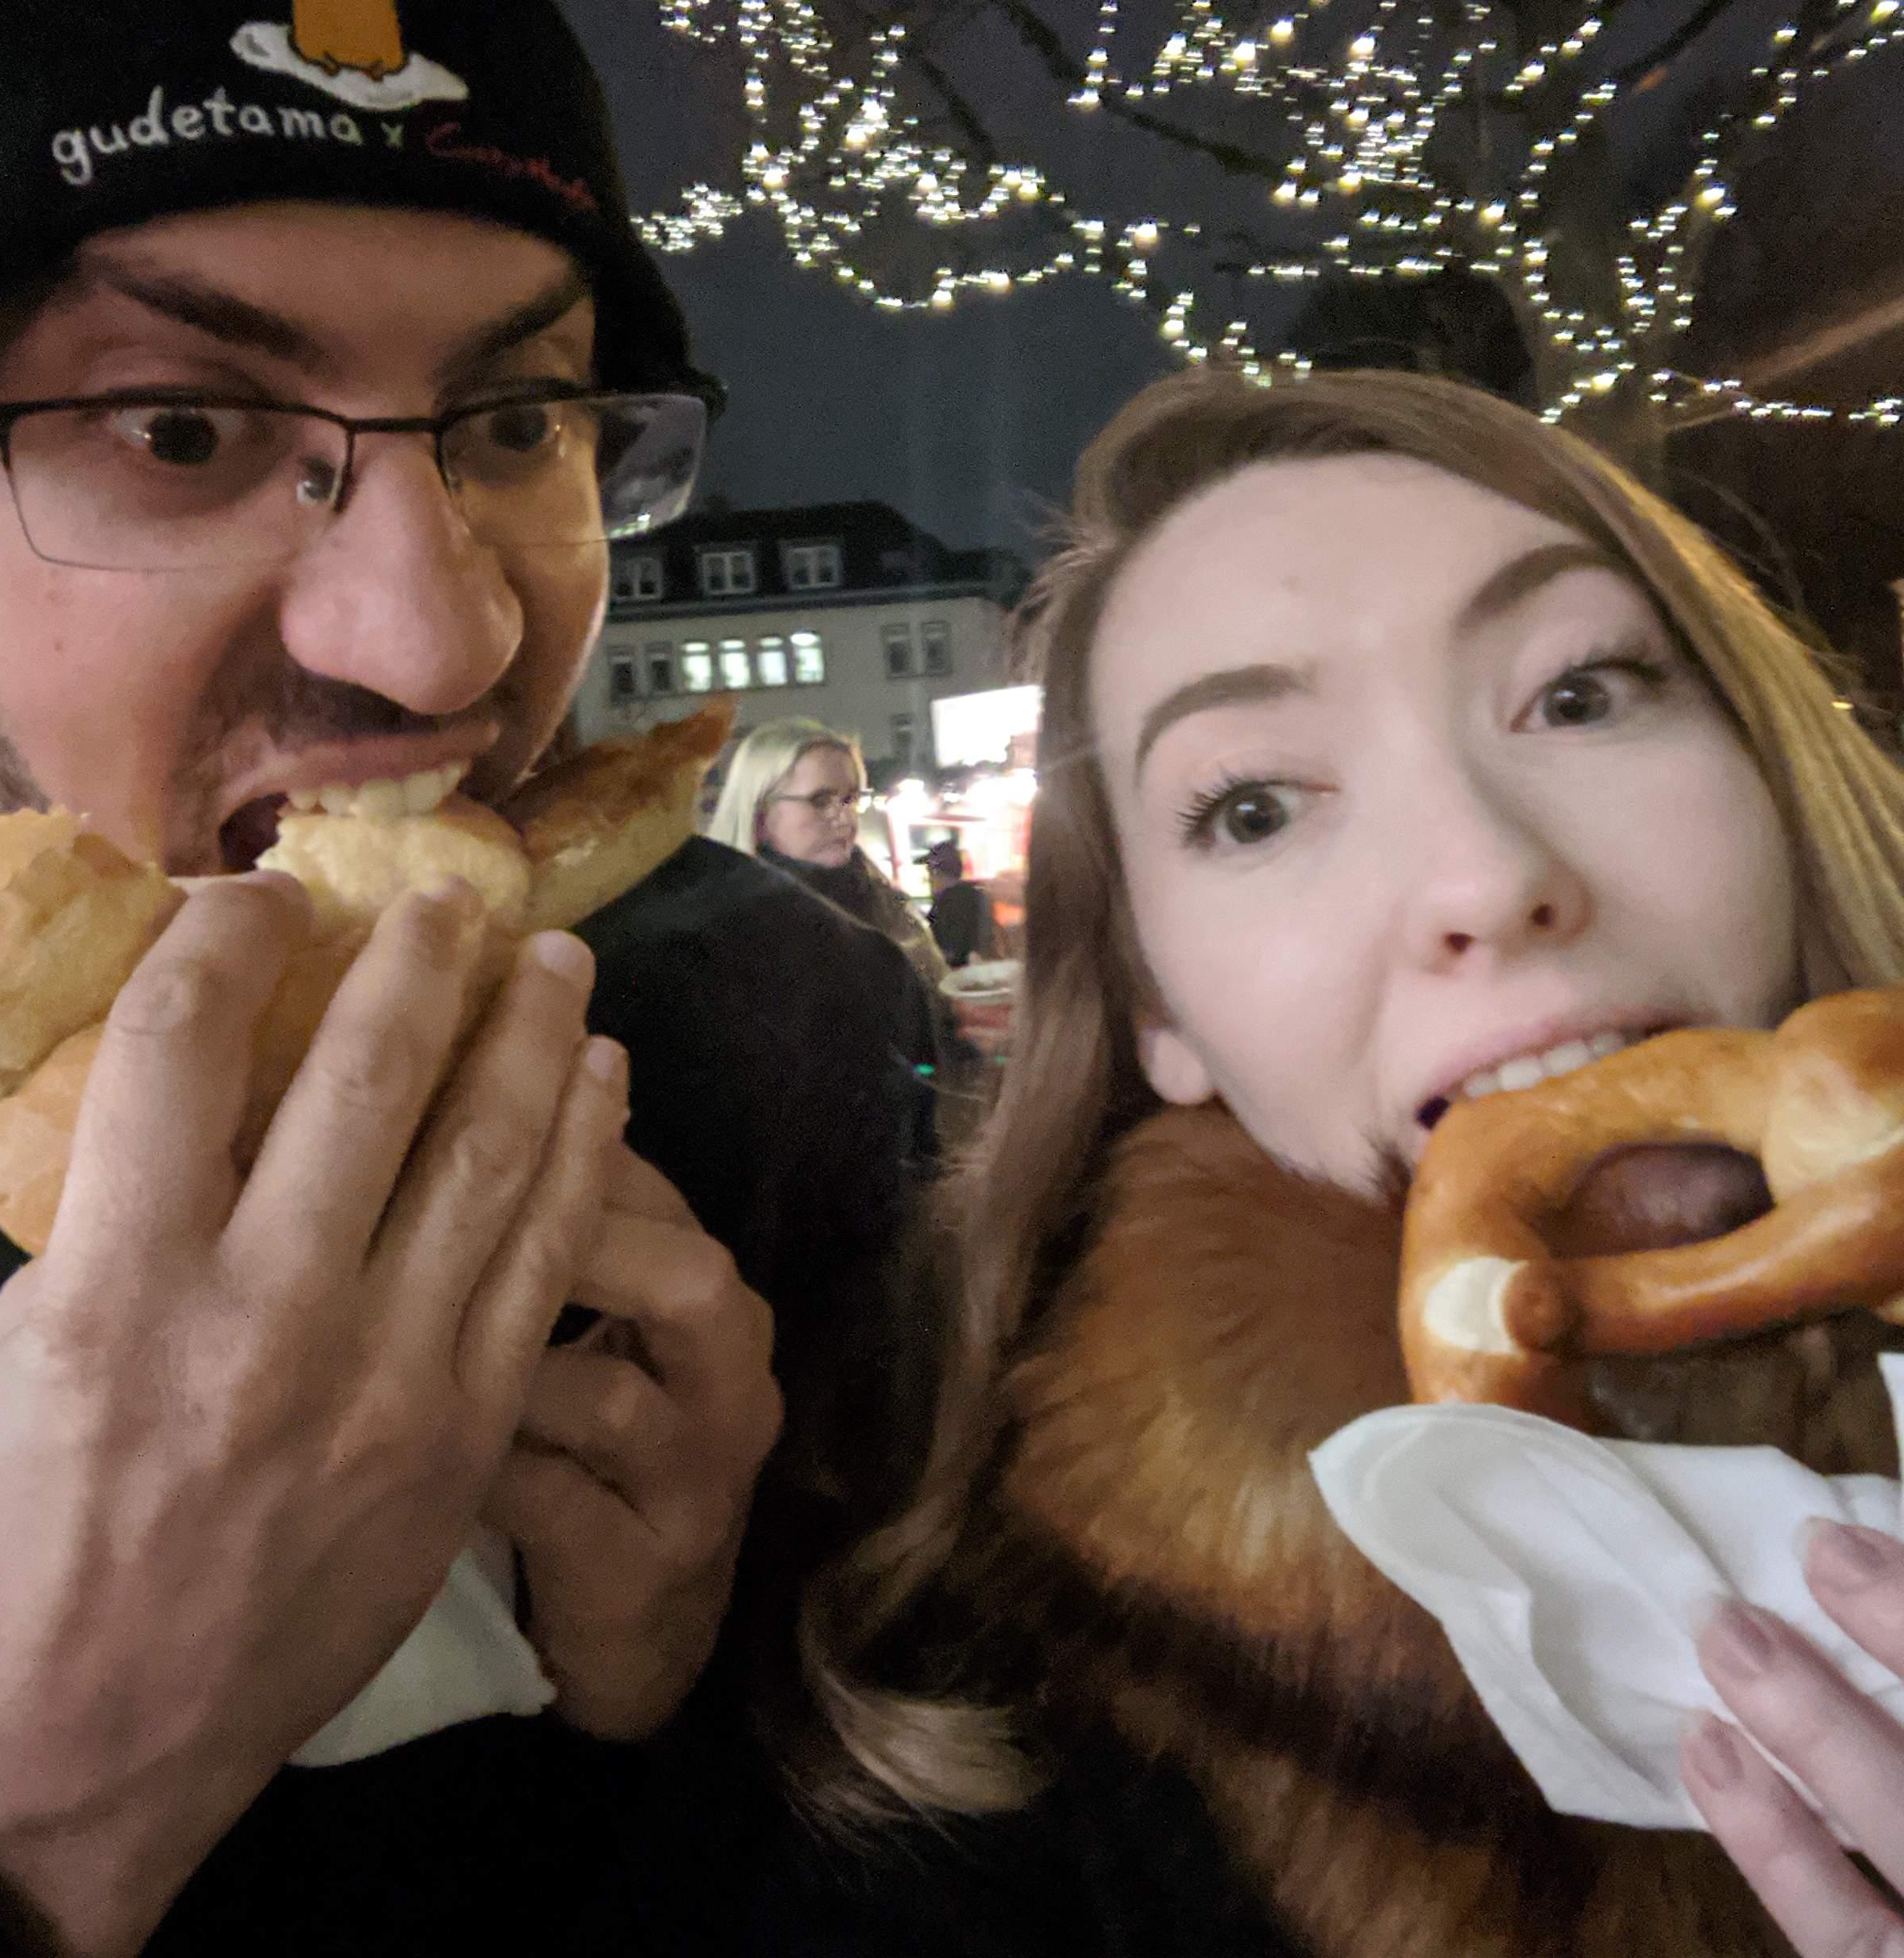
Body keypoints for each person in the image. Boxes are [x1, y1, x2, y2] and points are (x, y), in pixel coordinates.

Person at [0, 5, 935, 1950]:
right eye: (179, 428)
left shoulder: (790, 1018)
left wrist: (677, 1688)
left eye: (513, 425)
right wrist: (33, 1822)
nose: (438, 639)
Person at [804, 368, 1904, 1957]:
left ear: (1772, 763)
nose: (1486, 874)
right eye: (1254, 805)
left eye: (1580, 693)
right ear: (1157, 1010)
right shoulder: (983, 1746)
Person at [709, 717, 952, 1001]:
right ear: (760, 811)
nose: (845, 818)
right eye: (820, 801)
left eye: (849, 799)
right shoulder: (726, 931)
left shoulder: (882, 900)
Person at [920, 838, 997, 969]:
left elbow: (951, 951)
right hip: (975, 974)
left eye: (929, 872)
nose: (928, 879)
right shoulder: (972, 895)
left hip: (957, 978)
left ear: (936, 872)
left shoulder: (951, 902)